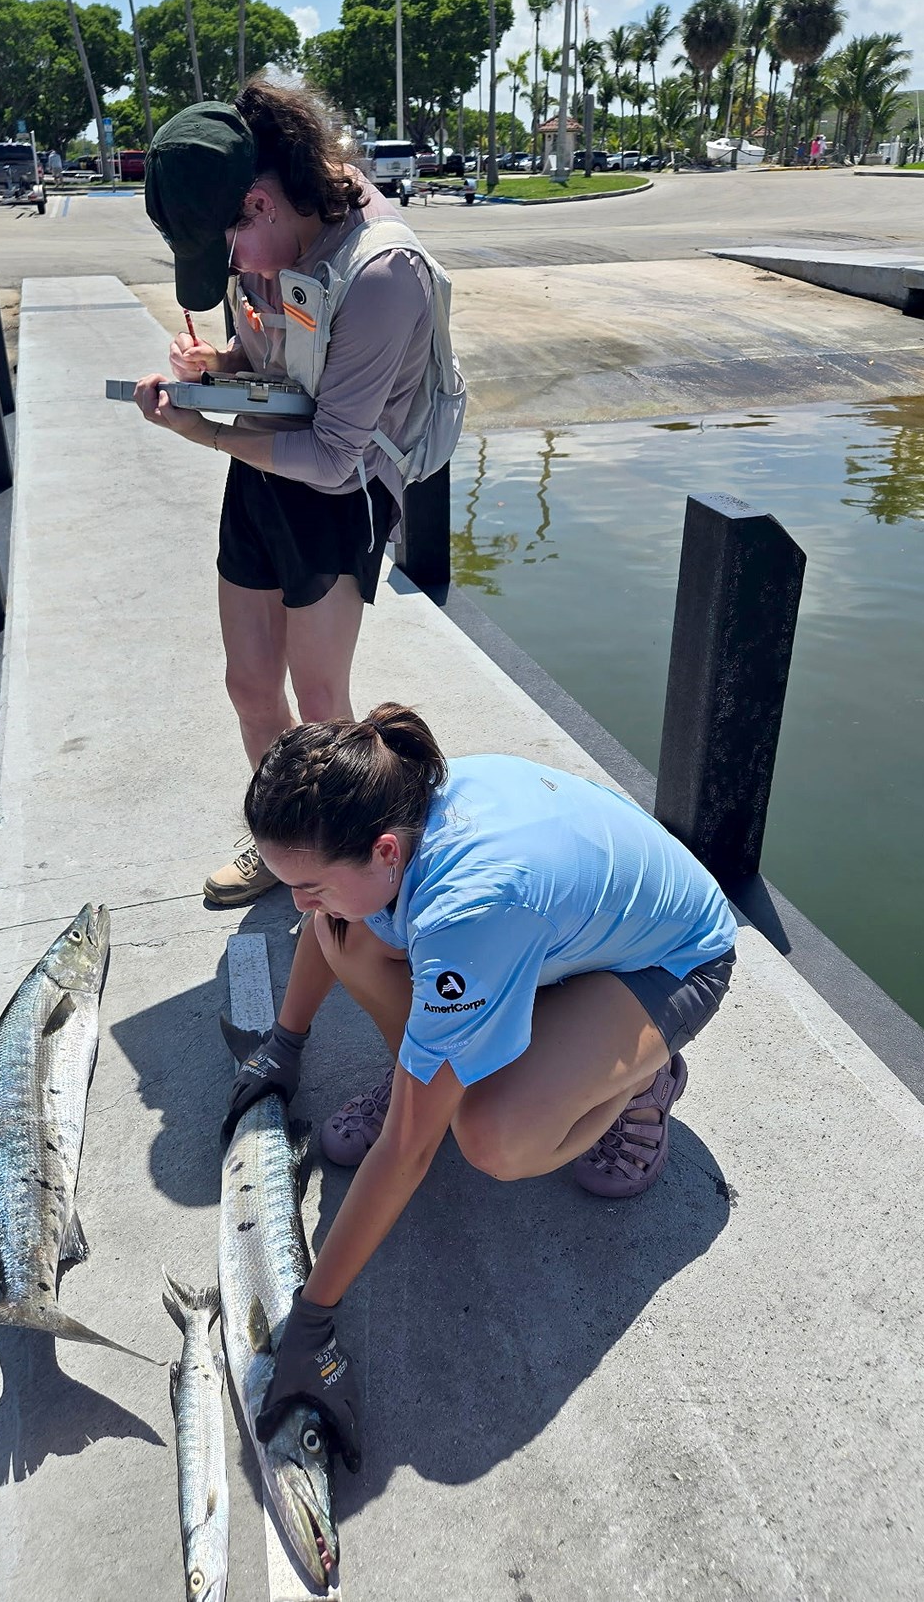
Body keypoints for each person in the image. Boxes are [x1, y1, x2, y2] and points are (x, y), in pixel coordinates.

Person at [223, 704, 738, 1468]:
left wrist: (313, 1316)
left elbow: (407, 1150)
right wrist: (283, 1046)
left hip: (672, 961)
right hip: (559, 934)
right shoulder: (391, 805)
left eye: (305, 882)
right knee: (350, 935)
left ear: (386, 851)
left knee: (493, 1135)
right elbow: (327, 931)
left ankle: (641, 1075)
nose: (293, 902)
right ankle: (439, 1063)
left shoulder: (468, 908)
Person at [134, 81, 445, 907]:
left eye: (229, 248)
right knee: (248, 685)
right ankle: (284, 843)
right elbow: (259, 355)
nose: (233, 269)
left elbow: (337, 455)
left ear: (261, 204)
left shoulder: (383, 272)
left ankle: (339, 866)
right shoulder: (276, 240)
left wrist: (200, 430)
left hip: (340, 494)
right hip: (267, 470)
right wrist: (214, 372)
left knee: (318, 703)